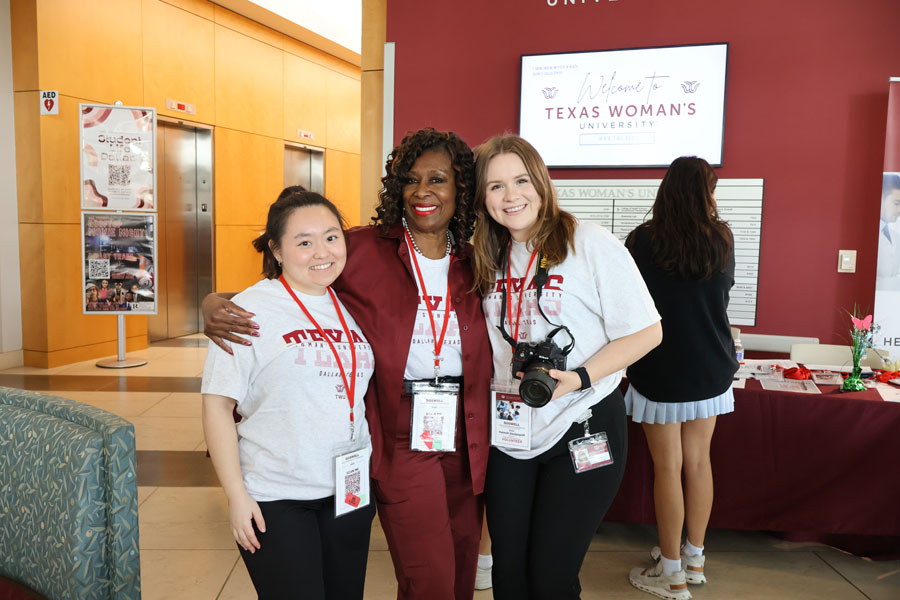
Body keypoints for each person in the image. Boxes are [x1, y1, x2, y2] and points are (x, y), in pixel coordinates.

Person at [202, 128, 492, 600]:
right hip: (400, 429)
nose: (423, 191)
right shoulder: (362, 250)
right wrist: (212, 302)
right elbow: (293, 280)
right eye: (411, 179)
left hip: (465, 429)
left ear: (461, 190)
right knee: (431, 577)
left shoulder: (476, 261)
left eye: (438, 179)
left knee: (462, 569)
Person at [471, 134, 662, 600]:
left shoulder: (588, 243)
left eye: (520, 180)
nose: (510, 195)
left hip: (584, 422)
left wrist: (577, 378)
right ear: (482, 197)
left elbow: (647, 332)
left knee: (551, 577)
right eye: (495, 186)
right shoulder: (483, 255)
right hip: (512, 431)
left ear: (541, 182)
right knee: (509, 577)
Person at [201, 188, 376, 599]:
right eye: (304, 242)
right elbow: (216, 406)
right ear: (277, 250)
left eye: (332, 237)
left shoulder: (352, 302)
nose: (322, 252)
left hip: (348, 490)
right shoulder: (247, 312)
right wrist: (236, 496)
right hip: (275, 496)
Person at [623, 157, 739, 600]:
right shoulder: (721, 238)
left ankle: (670, 573)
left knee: (668, 467)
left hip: (660, 369)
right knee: (698, 462)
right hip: (711, 368)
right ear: (705, 191)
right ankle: (694, 558)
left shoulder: (642, 240)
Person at [877, 173, 900, 288]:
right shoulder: (863, 236)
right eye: (896, 203)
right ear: (880, 199)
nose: (899, 210)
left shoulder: (896, 237)